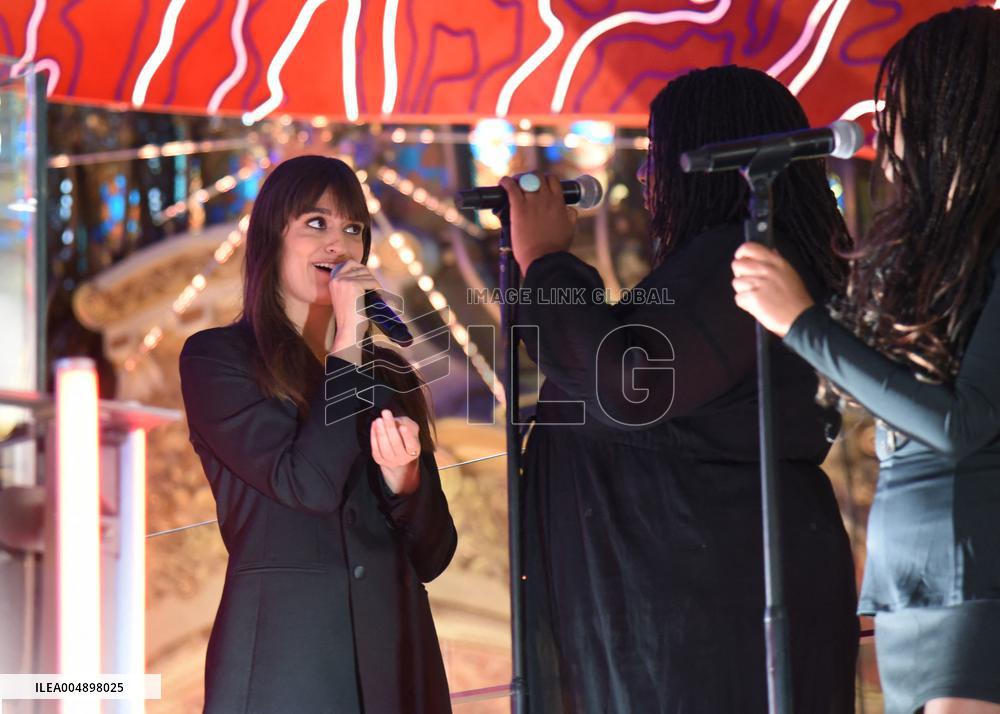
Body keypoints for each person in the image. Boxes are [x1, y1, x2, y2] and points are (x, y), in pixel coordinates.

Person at [500, 65, 858, 713]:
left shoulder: (739, 262)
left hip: (705, 624)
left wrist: (546, 262)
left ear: (708, 159)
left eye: (659, 156)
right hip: (693, 612)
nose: (644, 177)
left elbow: (624, 381)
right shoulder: (728, 262)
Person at [731, 7, 1000, 714]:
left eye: (901, 109)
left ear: (960, 114)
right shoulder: (944, 256)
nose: (885, 134)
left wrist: (802, 325)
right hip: (906, 576)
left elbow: (961, 425)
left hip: (973, 574)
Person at [178, 155, 456, 713]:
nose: (340, 244)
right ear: (269, 239)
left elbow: (433, 553)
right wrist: (351, 333)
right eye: (316, 224)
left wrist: (406, 484)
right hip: (288, 663)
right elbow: (305, 484)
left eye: (353, 228)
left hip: (394, 662)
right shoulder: (218, 359)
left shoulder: (390, 374)